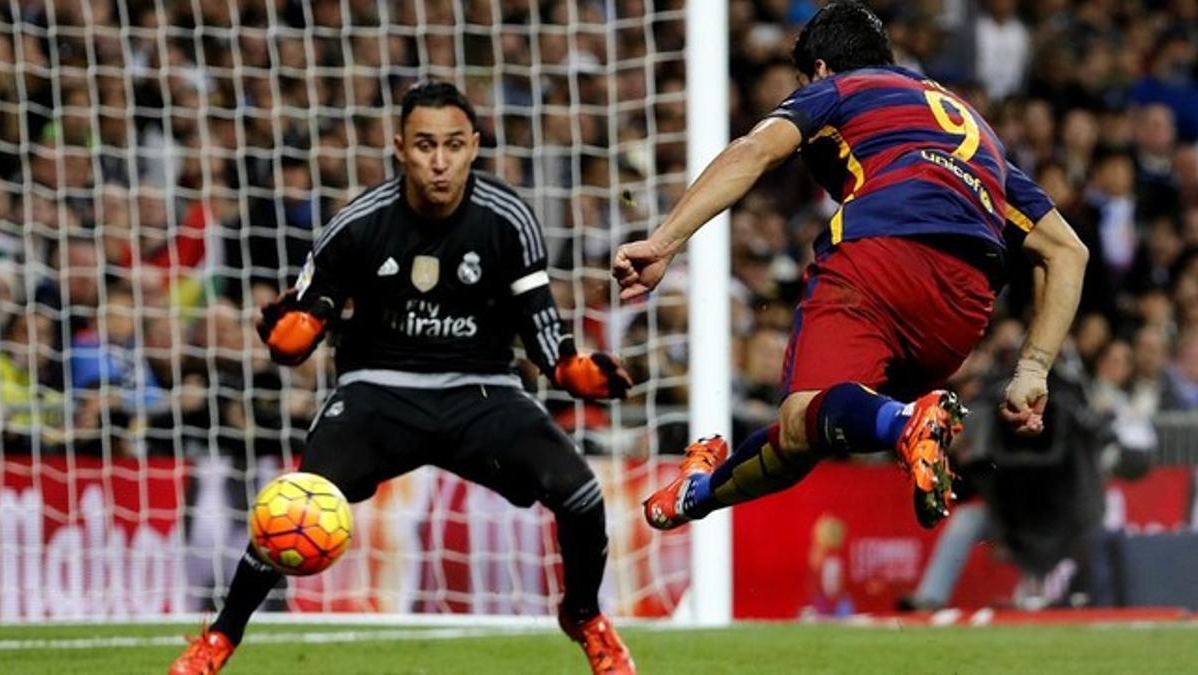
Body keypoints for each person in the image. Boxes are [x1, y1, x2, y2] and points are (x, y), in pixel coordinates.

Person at [171, 81, 636, 675]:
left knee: (581, 494)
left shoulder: (508, 219)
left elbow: (543, 330)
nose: (438, 162)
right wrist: (291, 336)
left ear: (474, 147)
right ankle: (219, 639)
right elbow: (303, 324)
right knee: (294, 505)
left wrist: (577, 371)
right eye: (423, 146)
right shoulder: (359, 223)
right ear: (399, 148)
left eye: (451, 146)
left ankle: (584, 615)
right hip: (376, 391)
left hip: (482, 390)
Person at [615, 2, 1088, 531]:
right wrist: (1033, 369)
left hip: (882, 258)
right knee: (806, 429)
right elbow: (1068, 251)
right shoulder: (978, 134)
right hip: (962, 309)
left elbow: (753, 151)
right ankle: (698, 494)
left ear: (818, 68)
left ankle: (908, 422)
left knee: (810, 418)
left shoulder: (841, 88)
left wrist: (664, 242)